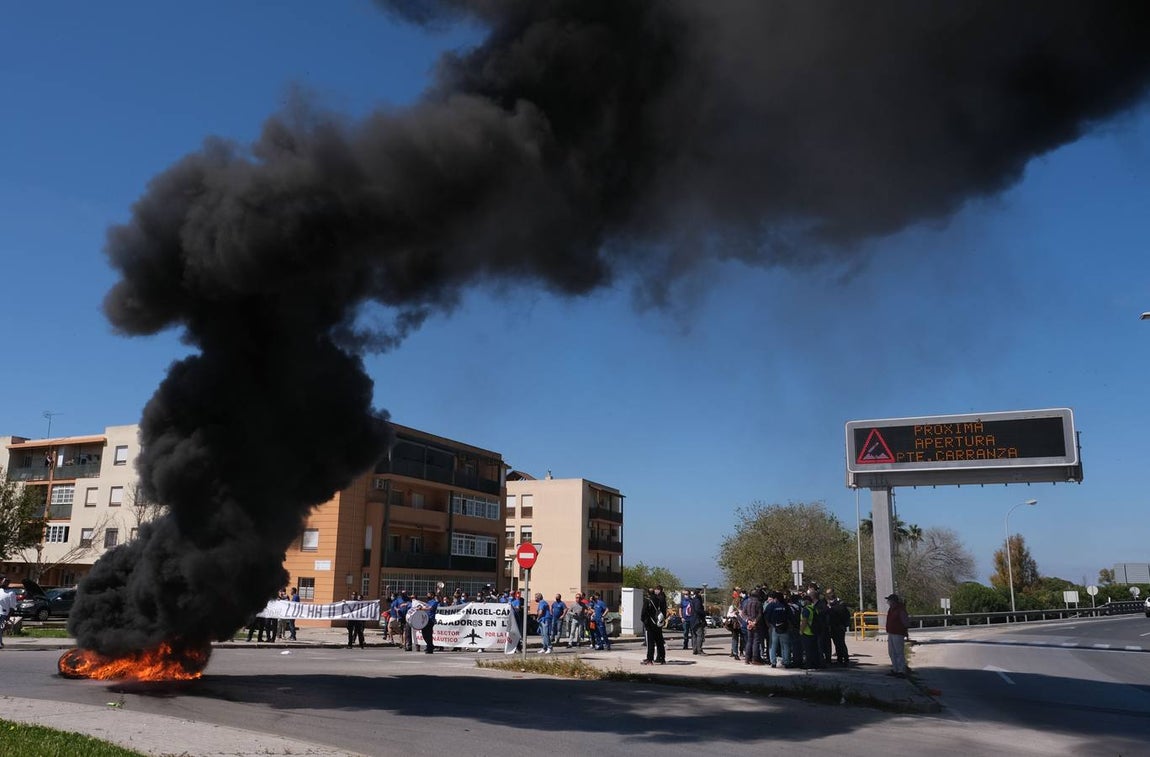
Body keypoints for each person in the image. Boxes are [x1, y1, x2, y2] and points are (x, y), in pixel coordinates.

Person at [885, 593, 911, 677]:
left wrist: (906, 632)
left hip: (898, 633)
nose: (888, 602)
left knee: (899, 652)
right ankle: (896, 669)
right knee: (891, 652)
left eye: (889, 600)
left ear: (893, 601)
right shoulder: (891, 609)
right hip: (891, 633)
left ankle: (901, 670)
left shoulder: (900, 610)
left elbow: (905, 622)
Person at [640, 587, 666, 665]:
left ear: (648, 593)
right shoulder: (659, 600)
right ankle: (662, 659)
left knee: (650, 643)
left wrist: (644, 621)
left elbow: (643, 613)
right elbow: (663, 611)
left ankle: (649, 659)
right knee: (660, 642)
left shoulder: (647, 600)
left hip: (650, 625)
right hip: (658, 624)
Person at [825, 588, 851, 664]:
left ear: (833, 592)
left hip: (839, 626)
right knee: (834, 644)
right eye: (828, 593)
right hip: (830, 627)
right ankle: (838, 659)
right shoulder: (827, 603)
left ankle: (845, 658)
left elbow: (842, 612)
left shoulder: (840, 602)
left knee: (841, 643)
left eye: (830, 593)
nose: (830, 595)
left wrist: (830, 608)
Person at [740, 588, 765, 665]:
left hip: (749, 624)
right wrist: (755, 622)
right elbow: (760, 614)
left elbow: (743, 614)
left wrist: (748, 621)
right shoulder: (759, 603)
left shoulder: (747, 603)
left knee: (749, 641)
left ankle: (747, 659)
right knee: (756, 641)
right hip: (756, 625)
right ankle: (755, 659)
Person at [725, 589, 744, 659]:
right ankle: (740, 651)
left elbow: (728, 615)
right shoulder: (741, 608)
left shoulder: (731, 607)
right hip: (740, 623)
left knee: (734, 638)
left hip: (734, 624)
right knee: (742, 638)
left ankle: (734, 652)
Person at [0, 578, 17, 648]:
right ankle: (0, 643)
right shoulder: (0, 591)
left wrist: (8, 616)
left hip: (4, 614)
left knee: (0, 629)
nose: (2, 583)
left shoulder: (11, 593)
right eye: (2, 582)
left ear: (8, 583)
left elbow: (12, 606)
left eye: (5, 582)